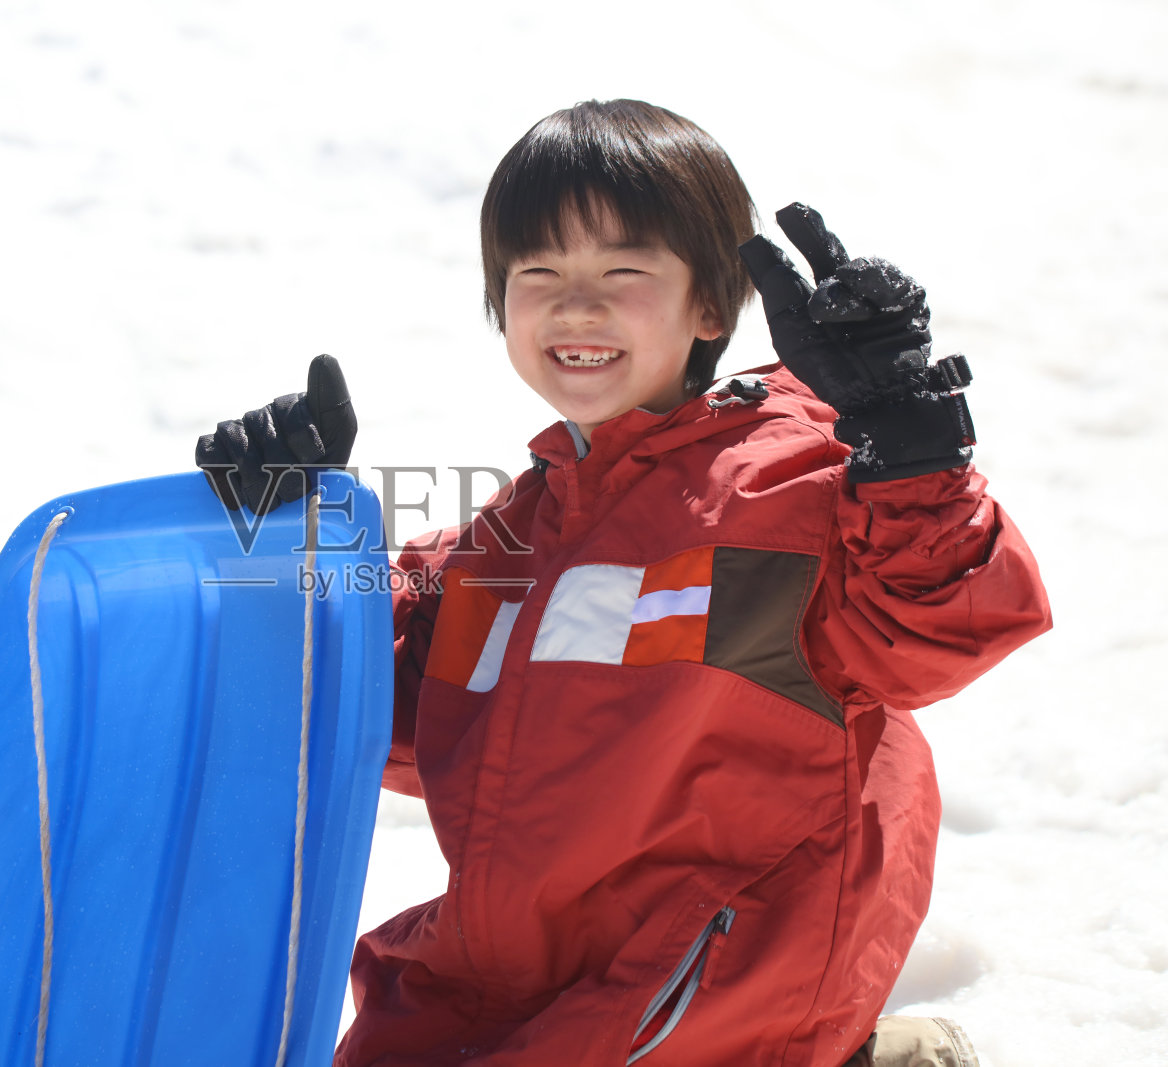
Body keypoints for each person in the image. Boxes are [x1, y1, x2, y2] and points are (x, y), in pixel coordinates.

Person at [195, 100, 1051, 1066]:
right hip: (511, 981)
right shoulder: (518, 531)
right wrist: (296, 545)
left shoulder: (795, 487)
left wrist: (907, 450)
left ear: (711, 306)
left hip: (703, 986)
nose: (577, 305)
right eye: (540, 274)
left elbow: (947, 626)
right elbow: (378, 711)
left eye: (623, 271)